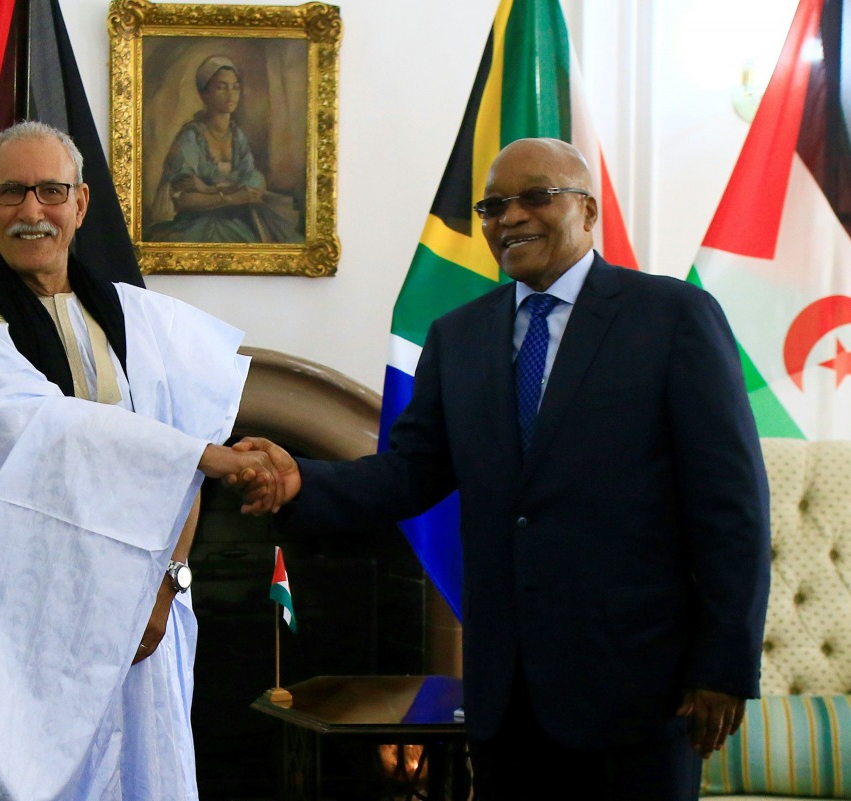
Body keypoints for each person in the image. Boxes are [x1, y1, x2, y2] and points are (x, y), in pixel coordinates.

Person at [233, 138, 771, 800]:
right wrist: (301, 480)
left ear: (589, 211)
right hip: (505, 700)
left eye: (536, 197)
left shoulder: (673, 318)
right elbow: (409, 473)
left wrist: (725, 662)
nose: (509, 217)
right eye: (492, 206)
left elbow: (733, 506)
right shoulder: (457, 336)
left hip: (638, 691)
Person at [0, 120, 277, 801]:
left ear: (81, 203)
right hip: (17, 624)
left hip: (139, 622)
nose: (31, 211)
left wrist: (165, 586)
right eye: (10, 192)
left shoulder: (140, 320)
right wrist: (206, 454)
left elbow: (179, 469)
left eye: (49, 191)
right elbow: (37, 426)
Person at [145, 55, 302, 244]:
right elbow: (183, 199)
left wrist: (209, 189)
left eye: (235, 87)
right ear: (205, 94)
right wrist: (231, 198)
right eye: (221, 87)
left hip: (239, 217)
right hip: (198, 224)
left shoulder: (237, 135)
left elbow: (254, 183)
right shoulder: (191, 138)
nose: (231, 94)